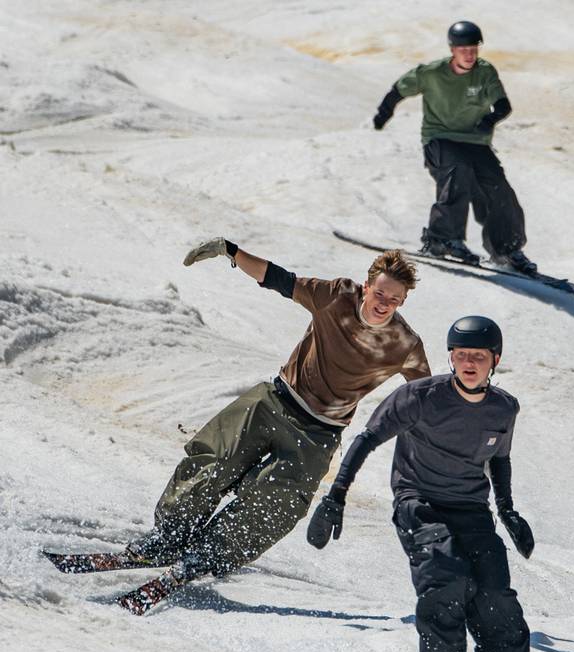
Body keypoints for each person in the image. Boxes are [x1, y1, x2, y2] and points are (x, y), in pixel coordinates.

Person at [123, 238, 431, 587]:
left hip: (318, 434)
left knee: (277, 500)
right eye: (380, 294)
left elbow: (427, 398)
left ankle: (209, 554)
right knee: (212, 460)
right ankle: (168, 537)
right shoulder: (336, 296)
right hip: (274, 401)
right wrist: (231, 251)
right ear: (367, 286)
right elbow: (280, 279)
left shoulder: (404, 344)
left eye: (394, 300)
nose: (384, 304)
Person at [306, 315, 544, 652]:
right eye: (461, 354)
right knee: (445, 580)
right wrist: (335, 495)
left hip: (472, 510)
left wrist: (507, 511)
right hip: (420, 504)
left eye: (479, 356)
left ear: (495, 360)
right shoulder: (419, 398)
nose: (469, 362)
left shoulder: (504, 407)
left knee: (497, 598)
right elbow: (367, 438)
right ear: (450, 357)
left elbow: (499, 458)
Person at [372, 20, 537, 275]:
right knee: (456, 172)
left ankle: (507, 249)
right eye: (464, 50)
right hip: (439, 137)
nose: (469, 55)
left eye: (474, 49)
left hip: (475, 141)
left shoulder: (484, 72)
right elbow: (399, 90)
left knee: (499, 188)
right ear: (452, 49)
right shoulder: (432, 73)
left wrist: (489, 119)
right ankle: (442, 239)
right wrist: (383, 115)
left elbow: (502, 104)